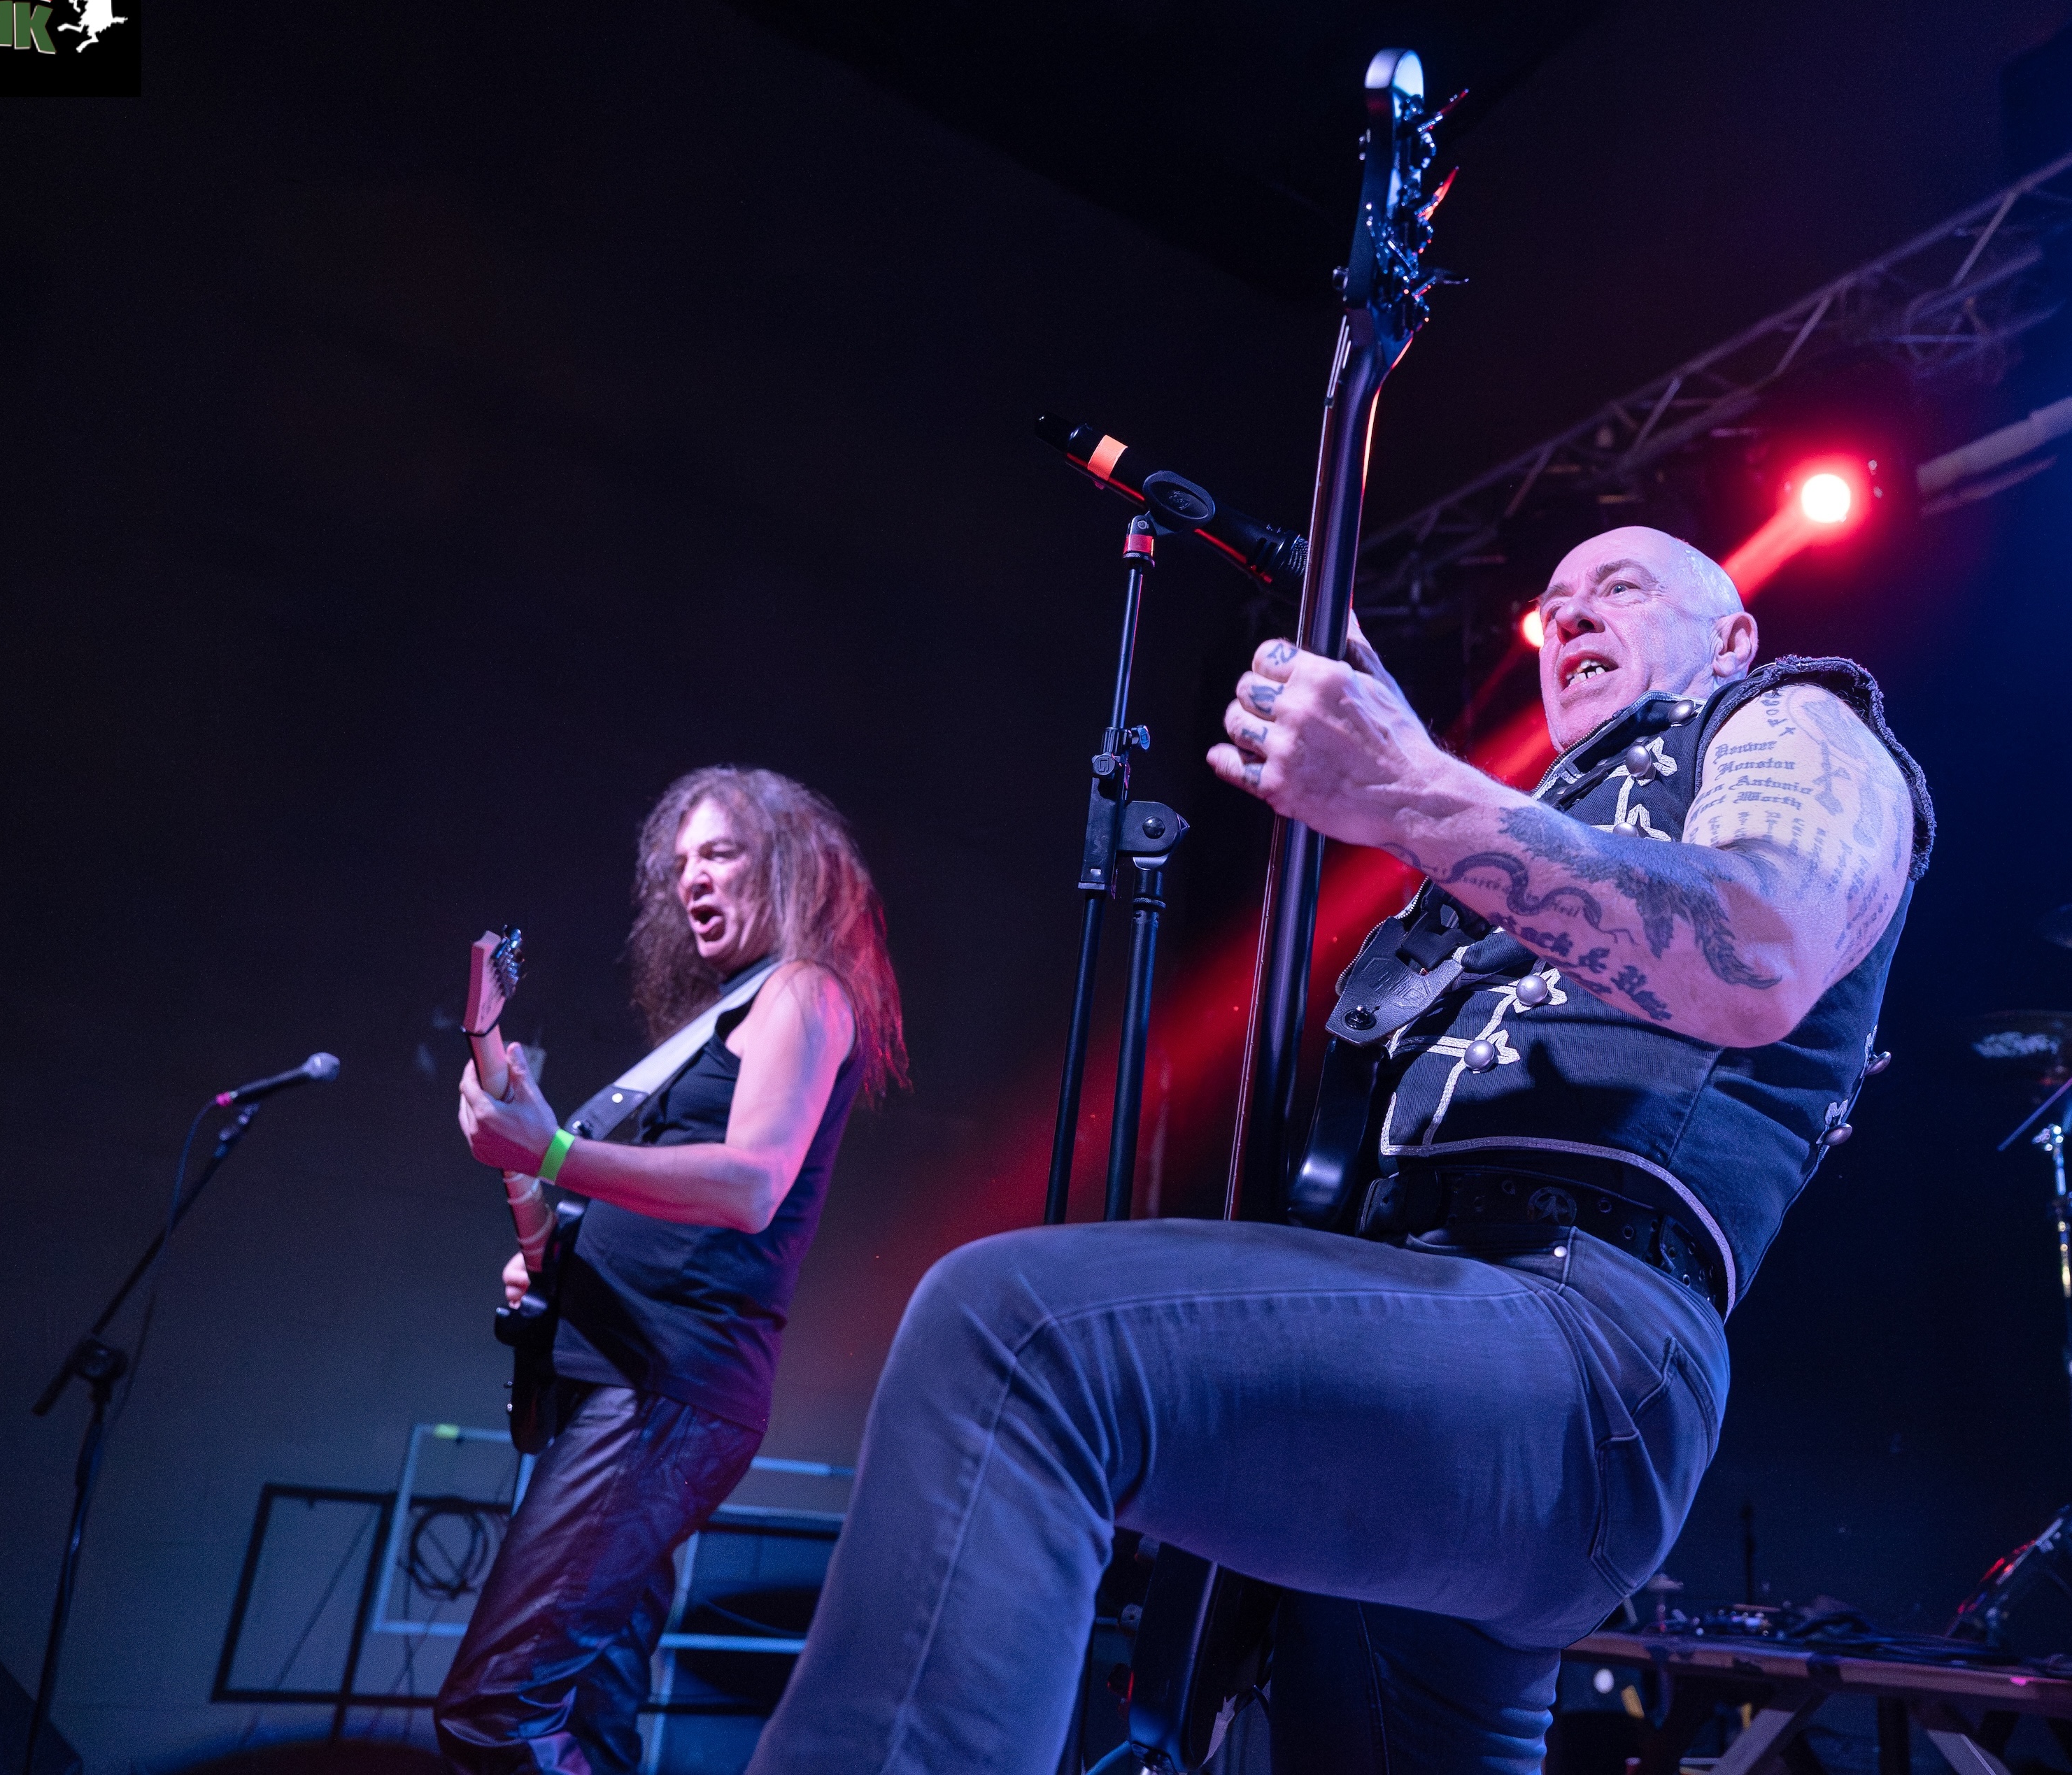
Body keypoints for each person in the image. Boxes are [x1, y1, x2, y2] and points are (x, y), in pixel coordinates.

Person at [750, 527, 1931, 1774]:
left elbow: (1759, 949)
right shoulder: (1532, 840)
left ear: (1733, 636)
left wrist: (1413, 793)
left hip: (1583, 1346)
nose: (1572, 618)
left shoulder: (1788, 721)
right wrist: (1407, 777)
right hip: (1432, 1337)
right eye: (1555, 604)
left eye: (1621, 589)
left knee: (1017, 1336)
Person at [436, 767, 904, 1775]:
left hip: (664, 1387)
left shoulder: (804, 991)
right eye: (681, 862)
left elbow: (750, 1184)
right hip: (623, 1378)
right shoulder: (719, 1019)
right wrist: (554, 1258)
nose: (692, 877)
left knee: (492, 1714)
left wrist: (552, 1152)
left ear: (787, 866)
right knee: (585, 1715)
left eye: (720, 853)